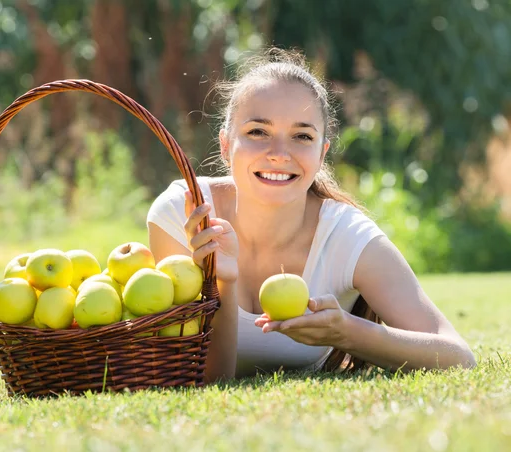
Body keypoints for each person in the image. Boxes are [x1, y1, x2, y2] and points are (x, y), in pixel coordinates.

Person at [146, 47, 476, 382]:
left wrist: (346, 332)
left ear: (322, 154)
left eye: (302, 136)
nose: (279, 154)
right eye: (258, 132)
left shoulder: (348, 238)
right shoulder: (183, 215)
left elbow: (458, 357)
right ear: (225, 145)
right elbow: (207, 380)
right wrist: (223, 283)